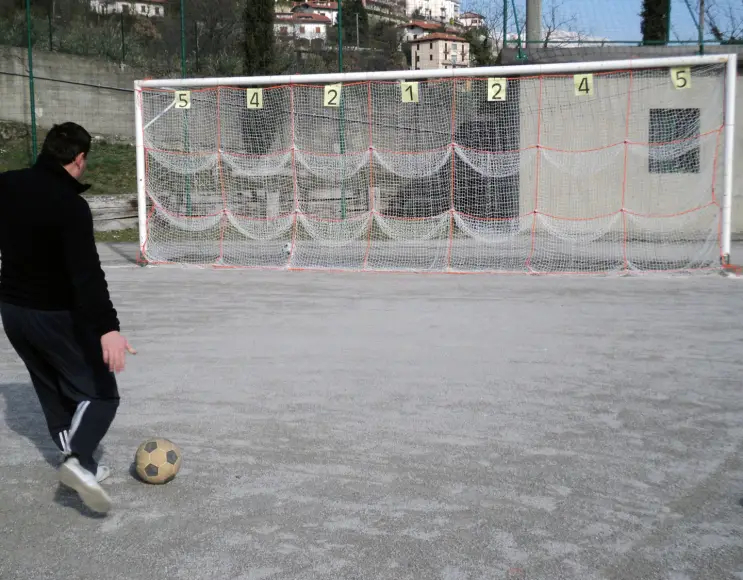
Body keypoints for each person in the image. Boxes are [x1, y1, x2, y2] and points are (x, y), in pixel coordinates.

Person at [0, 122, 135, 514]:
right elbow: (86, 273)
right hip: (55, 315)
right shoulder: (70, 205)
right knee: (101, 394)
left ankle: (85, 467)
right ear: (79, 159)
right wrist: (108, 329)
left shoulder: (7, 184)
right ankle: (77, 460)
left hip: (13, 314)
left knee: (55, 396)